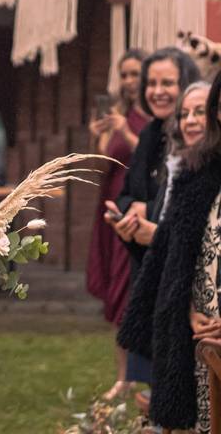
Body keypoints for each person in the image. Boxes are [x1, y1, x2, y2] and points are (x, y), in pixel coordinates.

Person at [118, 78, 217, 432]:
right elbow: (171, 254)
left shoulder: (203, 174)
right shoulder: (184, 170)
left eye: (200, 112)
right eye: (185, 114)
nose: (190, 121)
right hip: (184, 317)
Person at [104, 47, 200, 385]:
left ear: (186, 84)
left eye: (168, 82)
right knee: (156, 380)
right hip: (148, 266)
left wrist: (155, 227)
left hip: (185, 277)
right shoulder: (149, 134)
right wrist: (130, 211)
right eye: (152, 82)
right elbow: (129, 190)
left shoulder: (198, 138)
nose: (157, 91)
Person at [85, 49, 148, 400]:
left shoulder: (152, 118)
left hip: (138, 210)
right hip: (110, 208)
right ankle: (123, 376)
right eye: (123, 74)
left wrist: (128, 130)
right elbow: (100, 168)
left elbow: (156, 160)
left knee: (131, 292)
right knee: (116, 292)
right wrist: (99, 139)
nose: (128, 81)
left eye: (134, 73)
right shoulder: (117, 115)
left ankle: (140, 375)